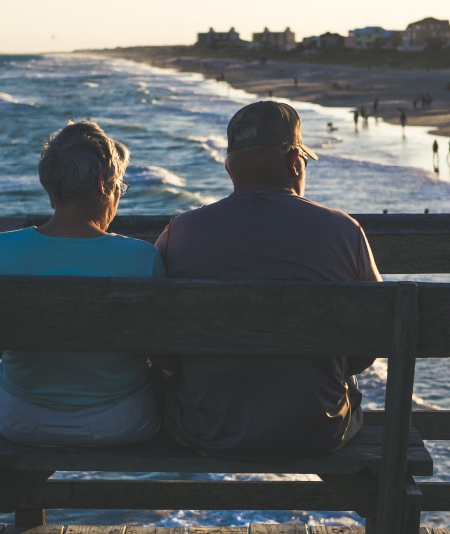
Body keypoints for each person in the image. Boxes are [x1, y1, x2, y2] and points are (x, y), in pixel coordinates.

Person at [154, 101, 382, 459]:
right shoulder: (344, 231)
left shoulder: (180, 232)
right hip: (317, 430)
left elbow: (156, 339)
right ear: (294, 163)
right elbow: (374, 335)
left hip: (206, 429)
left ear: (230, 167)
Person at [0, 120, 165, 447]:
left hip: (20, 421)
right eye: (119, 186)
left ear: (49, 185)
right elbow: (164, 353)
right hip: (121, 423)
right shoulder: (141, 257)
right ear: (101, 184)